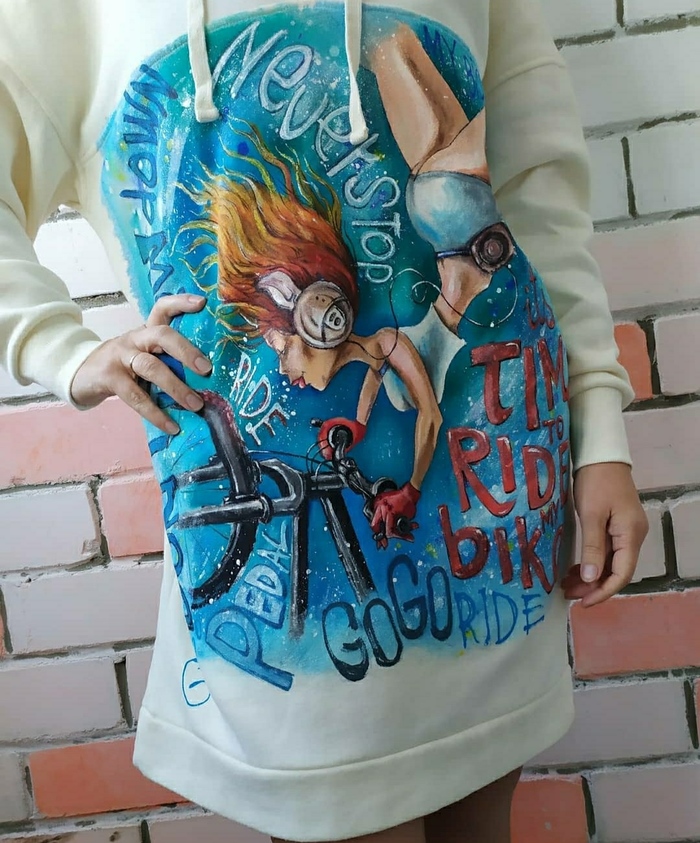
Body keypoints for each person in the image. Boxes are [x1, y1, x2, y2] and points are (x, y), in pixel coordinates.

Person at [0, 1, 649, 841]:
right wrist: (60, 350)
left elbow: (536, 204)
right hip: (290, 630)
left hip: (492, 540)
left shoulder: (386, 351)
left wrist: (600, 433)